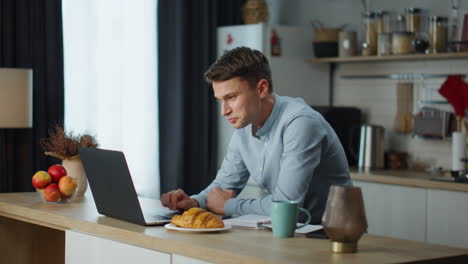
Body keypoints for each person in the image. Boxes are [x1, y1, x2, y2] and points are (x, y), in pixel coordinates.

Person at [161, 46, 350, 223]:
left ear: (261, 89)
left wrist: (227, 205)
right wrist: (193, 202)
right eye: (220, 100)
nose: (224, 111)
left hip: (331, 237)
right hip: (290, 233)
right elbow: (224, 186)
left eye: (231, 97)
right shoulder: (244, 125)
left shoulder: (300, 124)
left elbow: (285, 206)